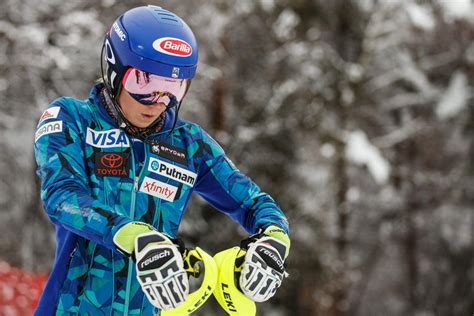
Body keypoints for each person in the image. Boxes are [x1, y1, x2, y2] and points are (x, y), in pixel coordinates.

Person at [34, 5, 290, 315]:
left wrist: (274, 240)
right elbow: (62, 197)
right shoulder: (71, 119)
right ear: (115, 68)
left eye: (173, 88)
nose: (158, 102)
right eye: (145, 84)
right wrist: (136, 236)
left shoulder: (190, 145)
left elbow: (254, 203)